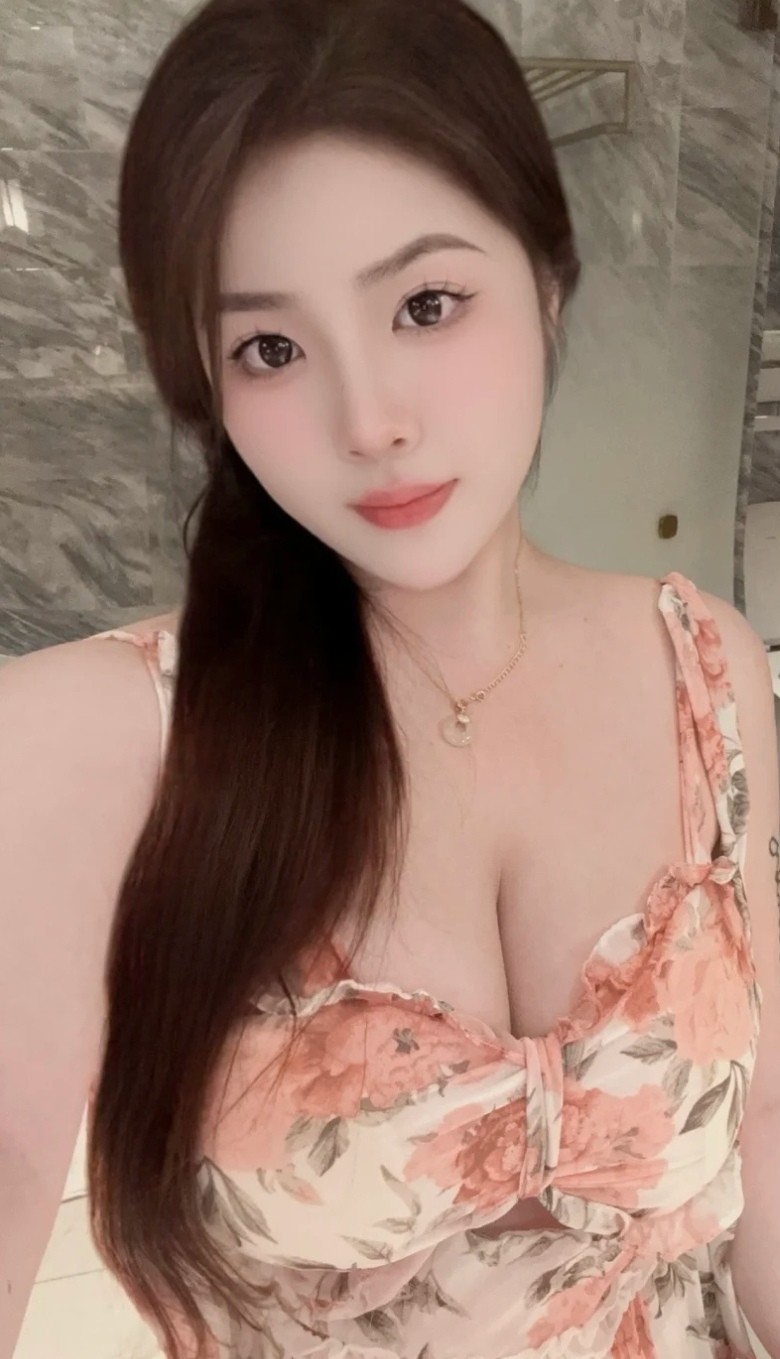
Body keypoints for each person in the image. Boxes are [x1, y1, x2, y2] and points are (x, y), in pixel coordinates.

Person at [2, 0, 780, 1355]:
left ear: (547, 279)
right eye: (271, 348)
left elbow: (761, 1138)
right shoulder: (89, 741)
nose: (369, 422)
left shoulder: (703, 667)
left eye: (427, 305)